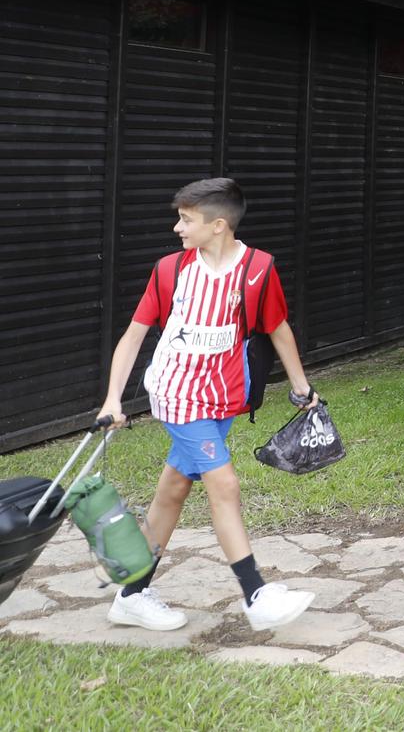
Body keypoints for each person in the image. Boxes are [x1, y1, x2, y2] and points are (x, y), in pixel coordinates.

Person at [95, 177, 320, 633]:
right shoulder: (169, 271)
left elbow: (277, 328)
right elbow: (133, 335)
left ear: (219, 225)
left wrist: (300, 387)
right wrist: (112, 398)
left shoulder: (257, 269)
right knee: (224, 484)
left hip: (223, 398)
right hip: (178, 394)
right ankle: (255, 593)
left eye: (186, 219)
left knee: (174, 489)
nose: (178, 228)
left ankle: (131, 593)